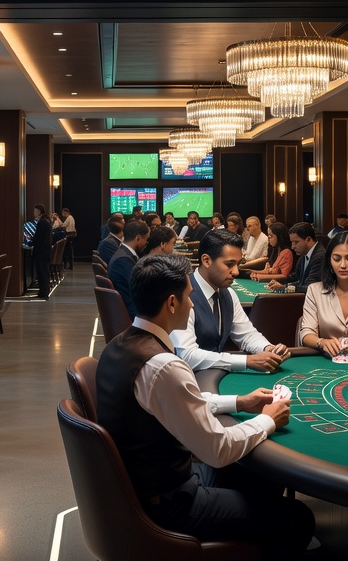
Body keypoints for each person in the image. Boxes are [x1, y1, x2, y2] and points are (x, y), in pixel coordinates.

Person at [97, 254, 315, 557]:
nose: (191, 304)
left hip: (146, 487)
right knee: (298, 518)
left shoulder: (117, 345)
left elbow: (178, 403)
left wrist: (240, 402)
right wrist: (267, 419)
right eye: (188, 297)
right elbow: (217, 449)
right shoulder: (163, 366)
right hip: (171, 503)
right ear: (171, 303)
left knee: (262, 479)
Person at [171, 229, 290, 372]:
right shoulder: (182, 295)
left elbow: (246, 334)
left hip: (214, 378)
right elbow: (186, 355)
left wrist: (268, 348)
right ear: (206, 260)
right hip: (185, 381)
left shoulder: (229, 294)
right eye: (229, 264)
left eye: (238, 264)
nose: (236, 271)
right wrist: (246, 361)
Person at [108, 220, 150, 317]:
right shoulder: (123, 260)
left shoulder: (123, 254)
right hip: (133, 314)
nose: (146, 243)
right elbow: (140, 289)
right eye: (146, 239)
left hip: (131, 309)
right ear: (138, 238)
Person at [284, 222, 327, 290]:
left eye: (296, 242)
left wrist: (285, 287)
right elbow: (297, 278)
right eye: (292, 242)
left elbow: (309, 287)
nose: (293, 247)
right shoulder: (304, 254)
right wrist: (279, 282)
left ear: (308, 239)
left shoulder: (320, 257)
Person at [31, 203, 54, 299]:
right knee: (44, 271)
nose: (34, 213)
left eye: (35, 211)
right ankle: (44, 291)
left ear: (39, 211)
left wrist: (30, 242)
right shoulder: (46, 220)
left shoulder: (42, 222)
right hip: (45, 251)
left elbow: (38, 238)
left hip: (41, 252)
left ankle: (43, 292)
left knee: (42, 272)